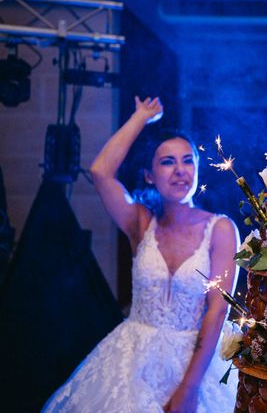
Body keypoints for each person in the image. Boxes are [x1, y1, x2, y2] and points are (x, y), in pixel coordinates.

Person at [42, 96, 239, 413]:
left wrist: (188, 390)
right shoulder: (141, 222)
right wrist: (141, 118)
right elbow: (100, 171)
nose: (179, 170)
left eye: (188, 161)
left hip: (195, 363)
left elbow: (217, 312)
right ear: (149, 174)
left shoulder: (221, 230)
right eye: (167, 162)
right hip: (130, 360)